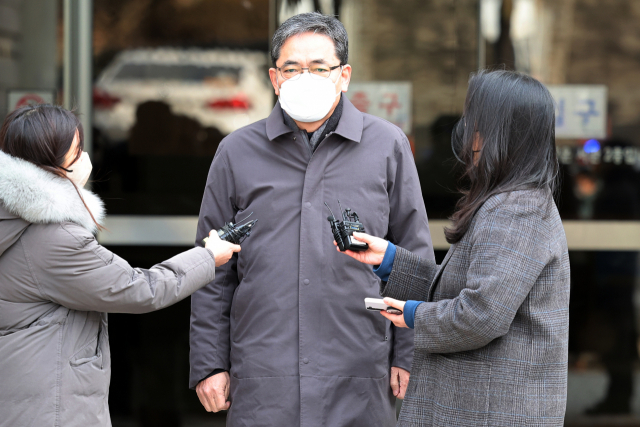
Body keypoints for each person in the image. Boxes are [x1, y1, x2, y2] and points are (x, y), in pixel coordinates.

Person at [189, 12, 434, 427]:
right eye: (292, 68)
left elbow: (413, 258)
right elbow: (211, 270)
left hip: (358, 367)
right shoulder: (237, 152)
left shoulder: (387, 145)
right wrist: (209, 363)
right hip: (264, 373)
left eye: (320, 68)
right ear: (274, 78)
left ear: (344, 75)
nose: (306, 77)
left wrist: (408, 354)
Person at [340, 70, 571, 426]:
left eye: (476, 121)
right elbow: (466, 291)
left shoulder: (515, 207)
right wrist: (389, 260)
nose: (467, 133)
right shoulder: (515, 201)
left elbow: (481, 315)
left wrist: (413, 315)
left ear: (500, 133)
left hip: (487, 412)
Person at [0, 104, 240, 427]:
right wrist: (208, 256)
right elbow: (141, 289)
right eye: (76, 151)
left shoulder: (12, 217)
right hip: (52, 408)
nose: (84, 158)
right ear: (52, 165)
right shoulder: (54, 237)